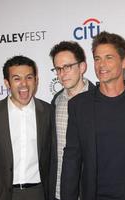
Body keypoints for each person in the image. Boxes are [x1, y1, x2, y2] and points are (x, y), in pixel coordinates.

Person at [60, 31, 125, 200]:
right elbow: (71, 160)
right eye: (97, 59)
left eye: (109, 57)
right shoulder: (78, 106)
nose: (101, 64)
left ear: (124, 62)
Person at [0, 55, 54, 200]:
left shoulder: (48, 112)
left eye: (29, 77)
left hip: (38, 193)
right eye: (16, 79)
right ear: (7, 83)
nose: (24, 84)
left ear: (36, 80)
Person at [49, 41, 95, 200]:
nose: (62, 73)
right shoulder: (56, 101)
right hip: (59, 191)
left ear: (82, 67)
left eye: (67, 67)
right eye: (58, 69)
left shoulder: (99, 100)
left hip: (90, 191)